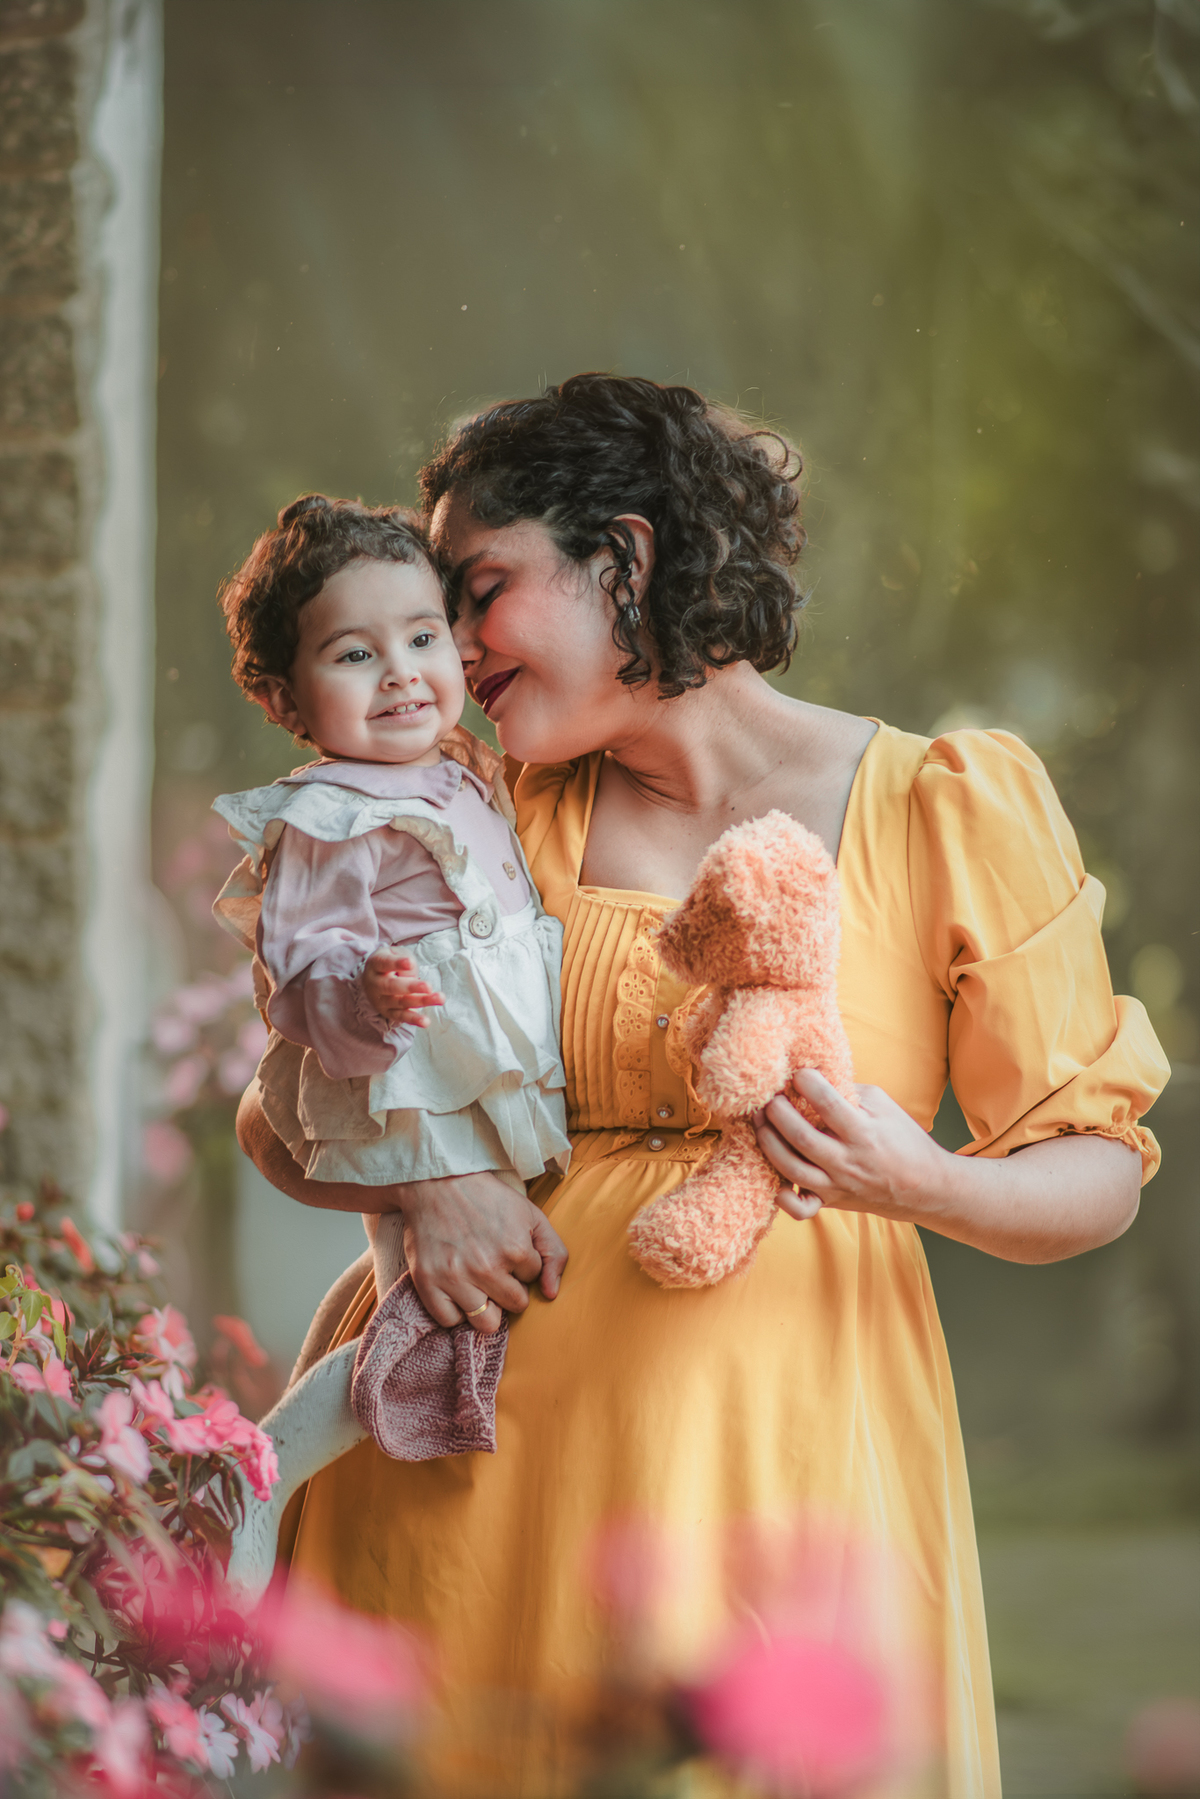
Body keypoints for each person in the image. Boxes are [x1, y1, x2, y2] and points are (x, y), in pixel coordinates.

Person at [237, 375, 1169, 1798]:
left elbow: (1096, 1170)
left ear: (625, 555)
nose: (452, 647)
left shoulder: (942, 807)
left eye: (480, 590)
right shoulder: (476, 814)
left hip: (776, 1481)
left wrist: (921, 1179)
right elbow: (276, 1111)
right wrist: (434, 1185)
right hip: (455, 1485)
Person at [212, 495, 570, 1465]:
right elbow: (301, 975)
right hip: (410, 1095)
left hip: (478, 1083)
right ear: (285, 701)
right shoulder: (328, 818)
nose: (401, 671)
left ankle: (420, 1428)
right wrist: (364, 1000)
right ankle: (285, 1464)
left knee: (474, 1303)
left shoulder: (462, 768)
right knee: (427, 1304)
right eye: (354, 654)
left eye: (421, 637)